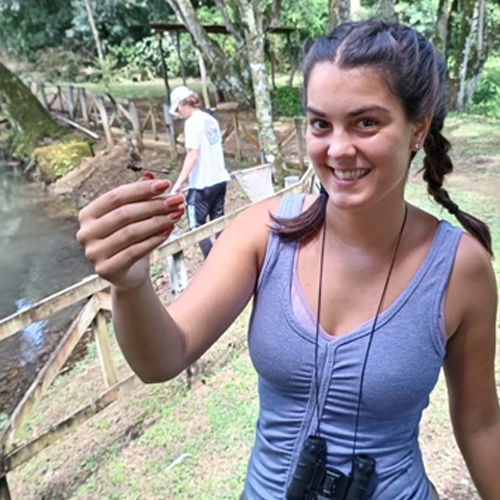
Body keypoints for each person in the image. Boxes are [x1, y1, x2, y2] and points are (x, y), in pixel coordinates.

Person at [76, 19, 500, 500]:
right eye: (321, 123)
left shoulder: (459, 269)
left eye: (366, 122)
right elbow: (162, 358)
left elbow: (482, 425)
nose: (338, 148)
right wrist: (130, 285)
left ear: (416, 129)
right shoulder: (265, 232)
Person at [169, 85, 231, 258]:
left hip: (203, 184)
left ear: (183, 104)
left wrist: (178, 184)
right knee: (218, 222)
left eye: (177, 108)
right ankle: (228, 259)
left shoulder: (192, 124)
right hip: (219, 179)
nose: (178, 113)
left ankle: (213, 264)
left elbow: (192, 156)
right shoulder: (209, 119)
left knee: (196, 227)